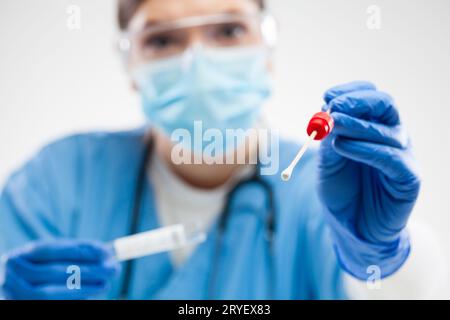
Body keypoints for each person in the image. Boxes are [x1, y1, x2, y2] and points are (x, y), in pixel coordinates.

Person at [0, 0, 425, 299]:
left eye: (228, 30)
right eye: (163, 40)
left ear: (268, 49)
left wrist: (382, 255)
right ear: (131, 65)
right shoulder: (62, 180)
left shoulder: (327, 188)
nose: (199, 64)